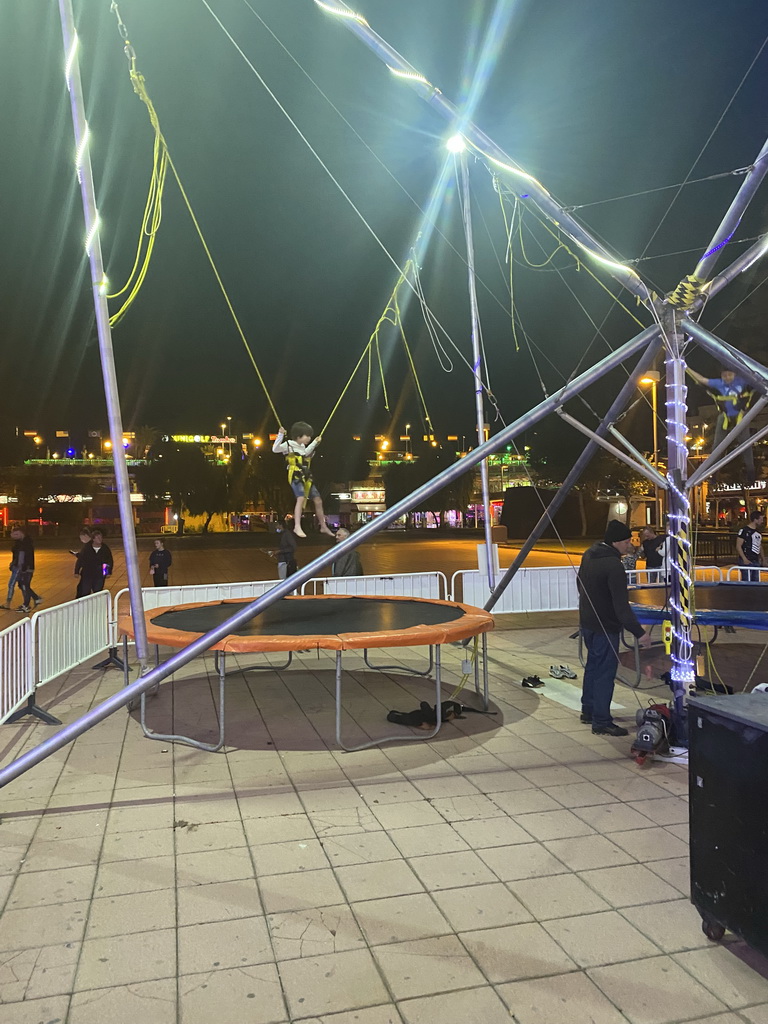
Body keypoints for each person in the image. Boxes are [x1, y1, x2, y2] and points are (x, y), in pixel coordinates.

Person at [577, 519, 652, 736]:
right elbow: (621, 607)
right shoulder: (614, 566)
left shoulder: (589, 555)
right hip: (605, 626)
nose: (631, 545)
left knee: (592, 666)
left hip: (588, 623)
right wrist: (640, 633)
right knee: (604, 673)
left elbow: (580, 584)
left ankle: (588, 710)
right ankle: (601, 721)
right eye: (628, 541)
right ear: (617, 542)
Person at [688, 366, 755, 479]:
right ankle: (714, 473)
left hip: (740, 417)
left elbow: (756, 379)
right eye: (724, 375)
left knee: (746, 446)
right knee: (717, 447)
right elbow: (702, 380)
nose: (727, 377)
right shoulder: (719, 383)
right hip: (724, 417)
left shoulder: (742, 382)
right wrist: (687, 368)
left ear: (734, 374)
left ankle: (751, 472)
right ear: (721, 376)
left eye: (729, 375)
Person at [272, 421, 335, 538]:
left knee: (318, 500)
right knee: (300, 498)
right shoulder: (288, 444)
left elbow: (306, 453)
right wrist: (280, 435)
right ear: (299, 435)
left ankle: (323, 526)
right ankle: (297, 526)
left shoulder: (301, 446)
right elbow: (275, 449)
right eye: (307, 436)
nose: (309, 438)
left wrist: (315, 443)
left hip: (305, 475)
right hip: (295, 475)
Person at [9, 525, 43, 614]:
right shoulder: (19, 542)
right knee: (22, 585)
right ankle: (36, 598)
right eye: (13, 534)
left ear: (21, 533)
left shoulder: (26, 543)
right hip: (22, 567)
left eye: (16, 534)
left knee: (24, 585)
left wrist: (23, 567)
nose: (13, 536)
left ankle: (26, 605)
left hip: (26, 568)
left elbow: (25, 557)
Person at [76, 528, 113, 595]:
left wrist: (107, 572)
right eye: (97, 537)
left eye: (100, 537)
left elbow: (108, 561)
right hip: (87, 574)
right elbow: (81, 559)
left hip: (99, 575)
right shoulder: (87, 548)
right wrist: (77, 571)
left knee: (98, 592)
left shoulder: (105, 548)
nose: (100, 539)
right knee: (85, 592)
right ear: (93, 539)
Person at [736, 509, 765, 582]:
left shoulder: (758, 532)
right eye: (761, 519)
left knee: (755, 581)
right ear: (755, 519)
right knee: (746, 581)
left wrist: (763, 559)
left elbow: (759, 545)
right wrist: (744, 559)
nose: (762, 521)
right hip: (746, 558)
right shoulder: (744, 531)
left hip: (755, 559)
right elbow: (738, 545)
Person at [72, 528, 93, 598]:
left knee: (83, 590)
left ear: (86, 536)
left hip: (89, 572)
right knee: (82, 589)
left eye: (81, 538)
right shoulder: (90, 545)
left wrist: (76, 571)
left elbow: (82, 559)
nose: (81, 540)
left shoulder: (88, 546)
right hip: (91, 572)